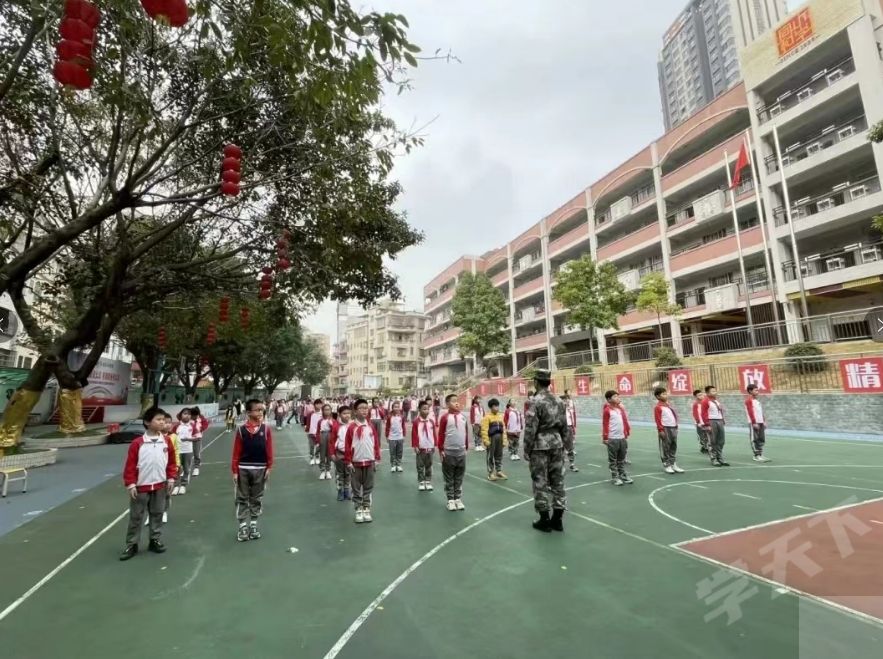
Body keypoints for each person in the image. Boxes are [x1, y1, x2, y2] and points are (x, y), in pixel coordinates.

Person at [120, 407, 177, 561]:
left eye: (163, 420)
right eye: (158, 419)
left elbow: (171, 462)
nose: (162, 422)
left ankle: (154, 539)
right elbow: (130, 466)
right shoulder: (137, 443)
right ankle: (132, 544)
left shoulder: (166, 442)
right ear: (147, 422)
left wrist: (171, 478)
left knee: (157, 513)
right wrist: (131, 484)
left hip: (160, 485)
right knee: (136, 516)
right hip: (141, 487)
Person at [523, 370, 569, 532]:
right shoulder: (559, 400)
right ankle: (558, 519)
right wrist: (567, 445)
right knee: (558, 481)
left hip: (539, 445)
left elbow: (531, 428)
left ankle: (544, 519)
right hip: (557, 443)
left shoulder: (534, 401)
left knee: (540, 481)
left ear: (536, 382)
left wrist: (526, 448)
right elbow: (565, 426)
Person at [231, 399, 274, 541]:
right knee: (242, 497)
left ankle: (253, 525)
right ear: (248, 412)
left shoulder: (266, 429)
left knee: (257, 497)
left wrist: (269, 467)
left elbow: (269, 450)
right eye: (257, 410)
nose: (261, 412)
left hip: (260, 468)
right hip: (243, 468)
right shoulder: (241, 430)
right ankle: (242, 526)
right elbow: (236, 452)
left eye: (262, 410)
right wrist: (235, 471)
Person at [345, 399, 382, 523]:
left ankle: (366, 508)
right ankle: (358, 509)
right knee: (356, 487)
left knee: (368, 486)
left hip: (369, 461)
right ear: (355, 411)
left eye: (366, 408)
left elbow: (375, 443)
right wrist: (348, 461)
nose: (364, 410)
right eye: (361, 408)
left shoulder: (370, 426)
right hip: (356, 463)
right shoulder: (352, 428)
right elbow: (347, 445)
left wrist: (377, 458)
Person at [437, 393, 469, 511]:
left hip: (461, 452)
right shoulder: (445, 418)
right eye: (453, 401)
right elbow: (441, 434)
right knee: (449, 477)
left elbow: (465, 433)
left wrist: (465, 448)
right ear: (447, 404)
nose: (456, 403)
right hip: (449, 452)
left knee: (459, 477)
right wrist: (441, 449)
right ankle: (450, 500)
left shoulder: (463, 417)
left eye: (457, 401)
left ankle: (458, 498)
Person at [602, 390, 632, 486]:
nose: (617, 398)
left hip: (622, 437)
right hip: (612, 438)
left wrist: (626, 432)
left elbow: (624, 421)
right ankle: (615, 477)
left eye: (618, 396)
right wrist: (605, 437)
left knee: (621, 458)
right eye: (615, 396)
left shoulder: (620, 410)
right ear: (608, 399)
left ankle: (622, 475)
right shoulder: (607, 410)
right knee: (613, 460)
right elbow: (605, 424)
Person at [653, 386, 684, 474]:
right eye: (663, 394)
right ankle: (667, 464)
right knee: (666, 447)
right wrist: (660, 430)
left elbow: (673, 416)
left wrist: (676, 426)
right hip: (665, 428)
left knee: (673, 446)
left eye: (666, 393)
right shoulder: (658, 407)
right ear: (658, 396)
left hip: (673, 428)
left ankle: (673, 463)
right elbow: (658, 420)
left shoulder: (668, 406)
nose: (666, 395)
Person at [700, 385, 729, 467]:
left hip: (719, 421)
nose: (715, 392)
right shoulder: (705, 401)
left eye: (715, 391)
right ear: (707, 393)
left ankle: (720, 457)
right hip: (711, 421)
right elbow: (703, 413)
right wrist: (707, 424)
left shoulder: (716, 401)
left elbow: (720, 411)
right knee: (712, 441)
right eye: (712, 391)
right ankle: (714, 459)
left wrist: (723, 419)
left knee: (721, 441)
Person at [412, 399, 436, 492]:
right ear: (419, 410)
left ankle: (428, 481)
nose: (426, 411)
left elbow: (434, 434)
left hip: (430, 446)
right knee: (420, 465)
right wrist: (415, 446)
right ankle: (421, 481)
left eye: (427, 409)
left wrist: (435, 444)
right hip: (421, 447)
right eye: (424, 409)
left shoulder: (431, 422)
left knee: (429, 465)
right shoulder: (416, 422)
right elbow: (414, 435)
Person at [480, 398, 507, 481]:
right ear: (491, 407)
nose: (497, 408)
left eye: (497, 406)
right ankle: (491, 473)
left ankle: (498, 471)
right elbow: (484, 430)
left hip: (500, 438)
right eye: (495, 406)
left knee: (499, 455)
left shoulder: (500, 416)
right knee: (490, 456)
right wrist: (486, 441)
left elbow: (504, 429)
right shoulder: (487, 417)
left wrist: (504, 440)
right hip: (491, 438)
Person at [330, 405, 352, 501]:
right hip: (339, 453)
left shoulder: (353, 425)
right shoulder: (336, 426)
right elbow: (332, 441)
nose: (347, 415)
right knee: (340, 474)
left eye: (348, 413)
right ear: (339, 414)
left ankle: (347, 490)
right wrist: (332, 453)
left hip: (350, 454)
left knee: (349, 473)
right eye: (344, 413)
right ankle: (340, 491)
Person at [745, 383, 771, 462]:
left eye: (757, 390)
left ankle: (760, 454)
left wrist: (764, 421)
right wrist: (754, 422)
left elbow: (760, 412)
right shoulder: (748, 401)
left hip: (760, 422)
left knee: (761, 438)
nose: (757, 392)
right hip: (754, 423)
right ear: (750, 391)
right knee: (755, 439)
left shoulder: (757, 401)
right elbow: (750, 412)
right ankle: (756, 455)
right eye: (755, 390)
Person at [173, 407, 195, 495]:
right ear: (181, 415)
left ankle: (183, 485)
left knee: (186, 468)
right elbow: (172, 436)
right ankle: (176, 485)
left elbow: (198, 437)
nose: (187, 416)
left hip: (188, 450)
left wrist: (188, 439)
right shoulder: (176, 426)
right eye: (185, 414)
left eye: (189, 414)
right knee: (177, 468)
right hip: (177, 450)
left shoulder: (192, 426)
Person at [385, 401, 406, 473]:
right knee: (392, 452)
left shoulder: (401, 417)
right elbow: (387, 427)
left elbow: (403, 426)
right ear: (392, 408)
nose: (396, 408)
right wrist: (387, 436)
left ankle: (398, 464)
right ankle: (393, 465)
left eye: (398, 407)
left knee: (399, 452)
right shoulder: (389, 417)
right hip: (392, 437)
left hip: (400, 437)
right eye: (395, 407)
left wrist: (404, 435)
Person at [317, 404, 335, 480]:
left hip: (330, 436)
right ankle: (322, 471)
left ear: (331, 411)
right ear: (323, 411)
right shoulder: (320, 421)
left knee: (329, 454)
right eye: (325, 410)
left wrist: (331, 425)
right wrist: (318, 441)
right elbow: (317, 431)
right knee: (322, 454)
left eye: (328, 410)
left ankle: (328, 470)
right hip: (323, 435)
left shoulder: (333, 421)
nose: (327, 411)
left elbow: (335, 431)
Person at [190, 406, 209, 476]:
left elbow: (205, 424)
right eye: (192, 415)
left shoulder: (201, 418)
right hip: (188, 438)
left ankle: (196, 467)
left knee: (196, 452)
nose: (193, 417)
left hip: (197, 437)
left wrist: (200, 429)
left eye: (195, 415)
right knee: (187, 453)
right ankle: (186, 468)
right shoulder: (188, 418)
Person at [562, 392, 579, 472]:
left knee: (570, 448)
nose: (567, 402)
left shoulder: (569, 411)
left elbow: (572, 420)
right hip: (561, 429)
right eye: (565, 400)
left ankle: (572, 464)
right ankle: (561, 466)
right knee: (560, 449)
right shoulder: (558, 411)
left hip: (569, 429)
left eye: (568, 400)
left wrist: (573, 428)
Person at [306, 399, 323, 466]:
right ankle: (312, 458)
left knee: (319, 446)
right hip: (311, 432)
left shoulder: (323, 414)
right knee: (311, 446)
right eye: (317, 404)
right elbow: (308, 423)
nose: (319, 405)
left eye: (320, 404)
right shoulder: (310, 413)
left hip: (320, 433)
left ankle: (317, 457)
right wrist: (307, 431)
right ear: (314, 405)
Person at [692, 389, 710, 454]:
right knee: (701, 435)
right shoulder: (696, 404)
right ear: (695, 397)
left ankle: (707, 447)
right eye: (699, 395)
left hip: (706, 422)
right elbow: (695, 414)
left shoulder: (706, 402)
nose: (701, 396)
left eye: (702, 394)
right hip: (700, 423)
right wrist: (698, 421)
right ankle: (703, 446)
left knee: (707, 435)